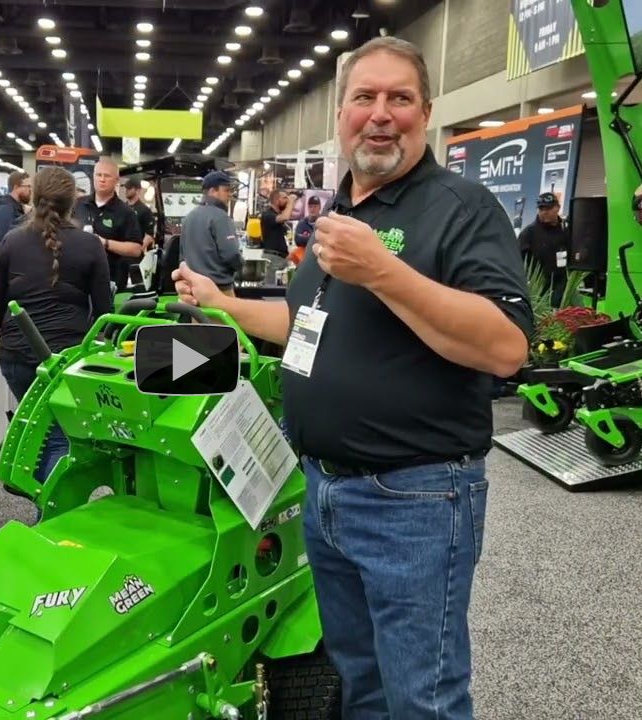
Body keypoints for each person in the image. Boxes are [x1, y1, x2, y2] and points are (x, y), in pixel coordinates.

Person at [173, 36, 531, 720]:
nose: (381, 113)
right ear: (341, 114)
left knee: (421, 696)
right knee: (359, 683)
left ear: (425, 112)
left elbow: (506, 348)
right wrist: (223, 305)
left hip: (415, 498)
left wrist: (382, 271)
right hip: (327, 489)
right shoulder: (343, 212)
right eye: (365, 97)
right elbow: (306, 323)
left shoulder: (459, 208)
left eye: (400, 98)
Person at [0, 166, 111, 482]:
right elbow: (104, 314)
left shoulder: (11, 242)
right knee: (58, 435)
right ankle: (49, 516)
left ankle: (44, 506)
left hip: (16, 355)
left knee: (39, 430)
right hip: (68, 360)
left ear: (34, 197)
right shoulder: (91, 245)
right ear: (74, 202)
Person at [75, 158, 143, 293]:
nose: (102, 179)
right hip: (78, 278)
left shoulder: (125, 212)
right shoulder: (77, 205)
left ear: (117, 180)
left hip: (110, 280)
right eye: (98, 175)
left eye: (107, 176)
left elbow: (136, 249)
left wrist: (105, 243)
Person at [179, 170, 243, 295]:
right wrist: (240, 266)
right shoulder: (220, 217)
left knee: (198, 315)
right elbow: (231, 254)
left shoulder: (189, 217)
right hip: (218, 289)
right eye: (226, 190)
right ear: (212, 191)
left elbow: (182, 255)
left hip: (193, 289)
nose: (230, 195)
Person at [518, 191, 571, 308]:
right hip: (538, 292)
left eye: (548, 208)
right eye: (541, 209)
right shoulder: (529, 233)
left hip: (562, 286)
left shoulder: (566, 230)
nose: (544, 212)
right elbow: (516, 261)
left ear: (557, 208)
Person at [0, 171, 31, 247]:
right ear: (16, 187)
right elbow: (8, 242)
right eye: (28, 186)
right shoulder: (6, 210)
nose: (30, 190)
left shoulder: (14, 208)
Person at [259, 188, 294, 277]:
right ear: (277, 200)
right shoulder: (268, 215)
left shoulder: (276, 216)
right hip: (273, 259)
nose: (287, 200)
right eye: (285, 198)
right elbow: (285, 217)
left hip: (281, 259)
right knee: (271, 287)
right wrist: (291, 202)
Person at [124, 177, 157, 252]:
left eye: (129, 188)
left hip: (134, 252)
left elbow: (149, 235)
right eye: (126, 188)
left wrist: (138, 250)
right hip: (120, 250)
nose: (126, 190)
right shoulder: (121, 208)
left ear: (138, 190)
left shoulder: (144, 210)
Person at [292, 195, 322, 264]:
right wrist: (315, 238)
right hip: (305, 259)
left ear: (319, 207)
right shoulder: (302, 223)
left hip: (320, 258)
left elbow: (325, 241)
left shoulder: (323, 222)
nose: (312, 209)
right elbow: (298, 240)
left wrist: (307, 238)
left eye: (315, 206)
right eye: (310, 207)